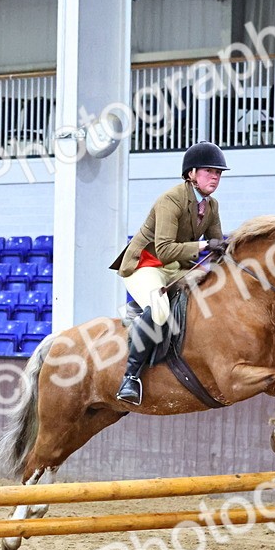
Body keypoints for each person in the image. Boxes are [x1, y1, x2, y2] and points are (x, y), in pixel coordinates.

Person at [108, 141, 230, 405]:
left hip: (175, 268)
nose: (215, 177)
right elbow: (163, 250)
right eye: (209, 171)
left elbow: (216, 246)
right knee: (161, 311)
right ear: (191, 174)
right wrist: (203, 245)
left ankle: (143, 315)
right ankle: (130, 378)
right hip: (146, 264)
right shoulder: (170, 200)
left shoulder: (211, 206)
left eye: (218, 172)